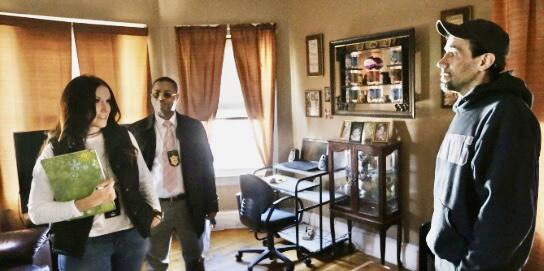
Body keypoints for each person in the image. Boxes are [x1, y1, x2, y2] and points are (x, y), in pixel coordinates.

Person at [426, 19, 541, 270]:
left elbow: (506, 217)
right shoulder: (466, 111)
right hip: (448, 259)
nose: (441, 61)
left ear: (484, 62)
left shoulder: (508, 115)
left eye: (453, 53)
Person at [28, 75, 162, 270]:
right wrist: (86, 204)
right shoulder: (56, 149)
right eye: (97, 101)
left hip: (131, 236)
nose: (106, 108)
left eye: (108, 101)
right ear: (77, 104)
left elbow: (143, 178)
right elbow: (36, 212)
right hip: (86, 245)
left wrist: (156, 210)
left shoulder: (124, 136)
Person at [128, 76, 218, 271]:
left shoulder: (194, 128)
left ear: (177, 97)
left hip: (189, 204)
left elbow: (207, 167)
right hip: (155, 208)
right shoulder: (136, 130)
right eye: (156, 94)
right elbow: (131, 174)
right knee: (156, 261)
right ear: (151, 97)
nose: (161, 98)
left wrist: (211, 204)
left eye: (167, 94)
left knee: (195, 257)